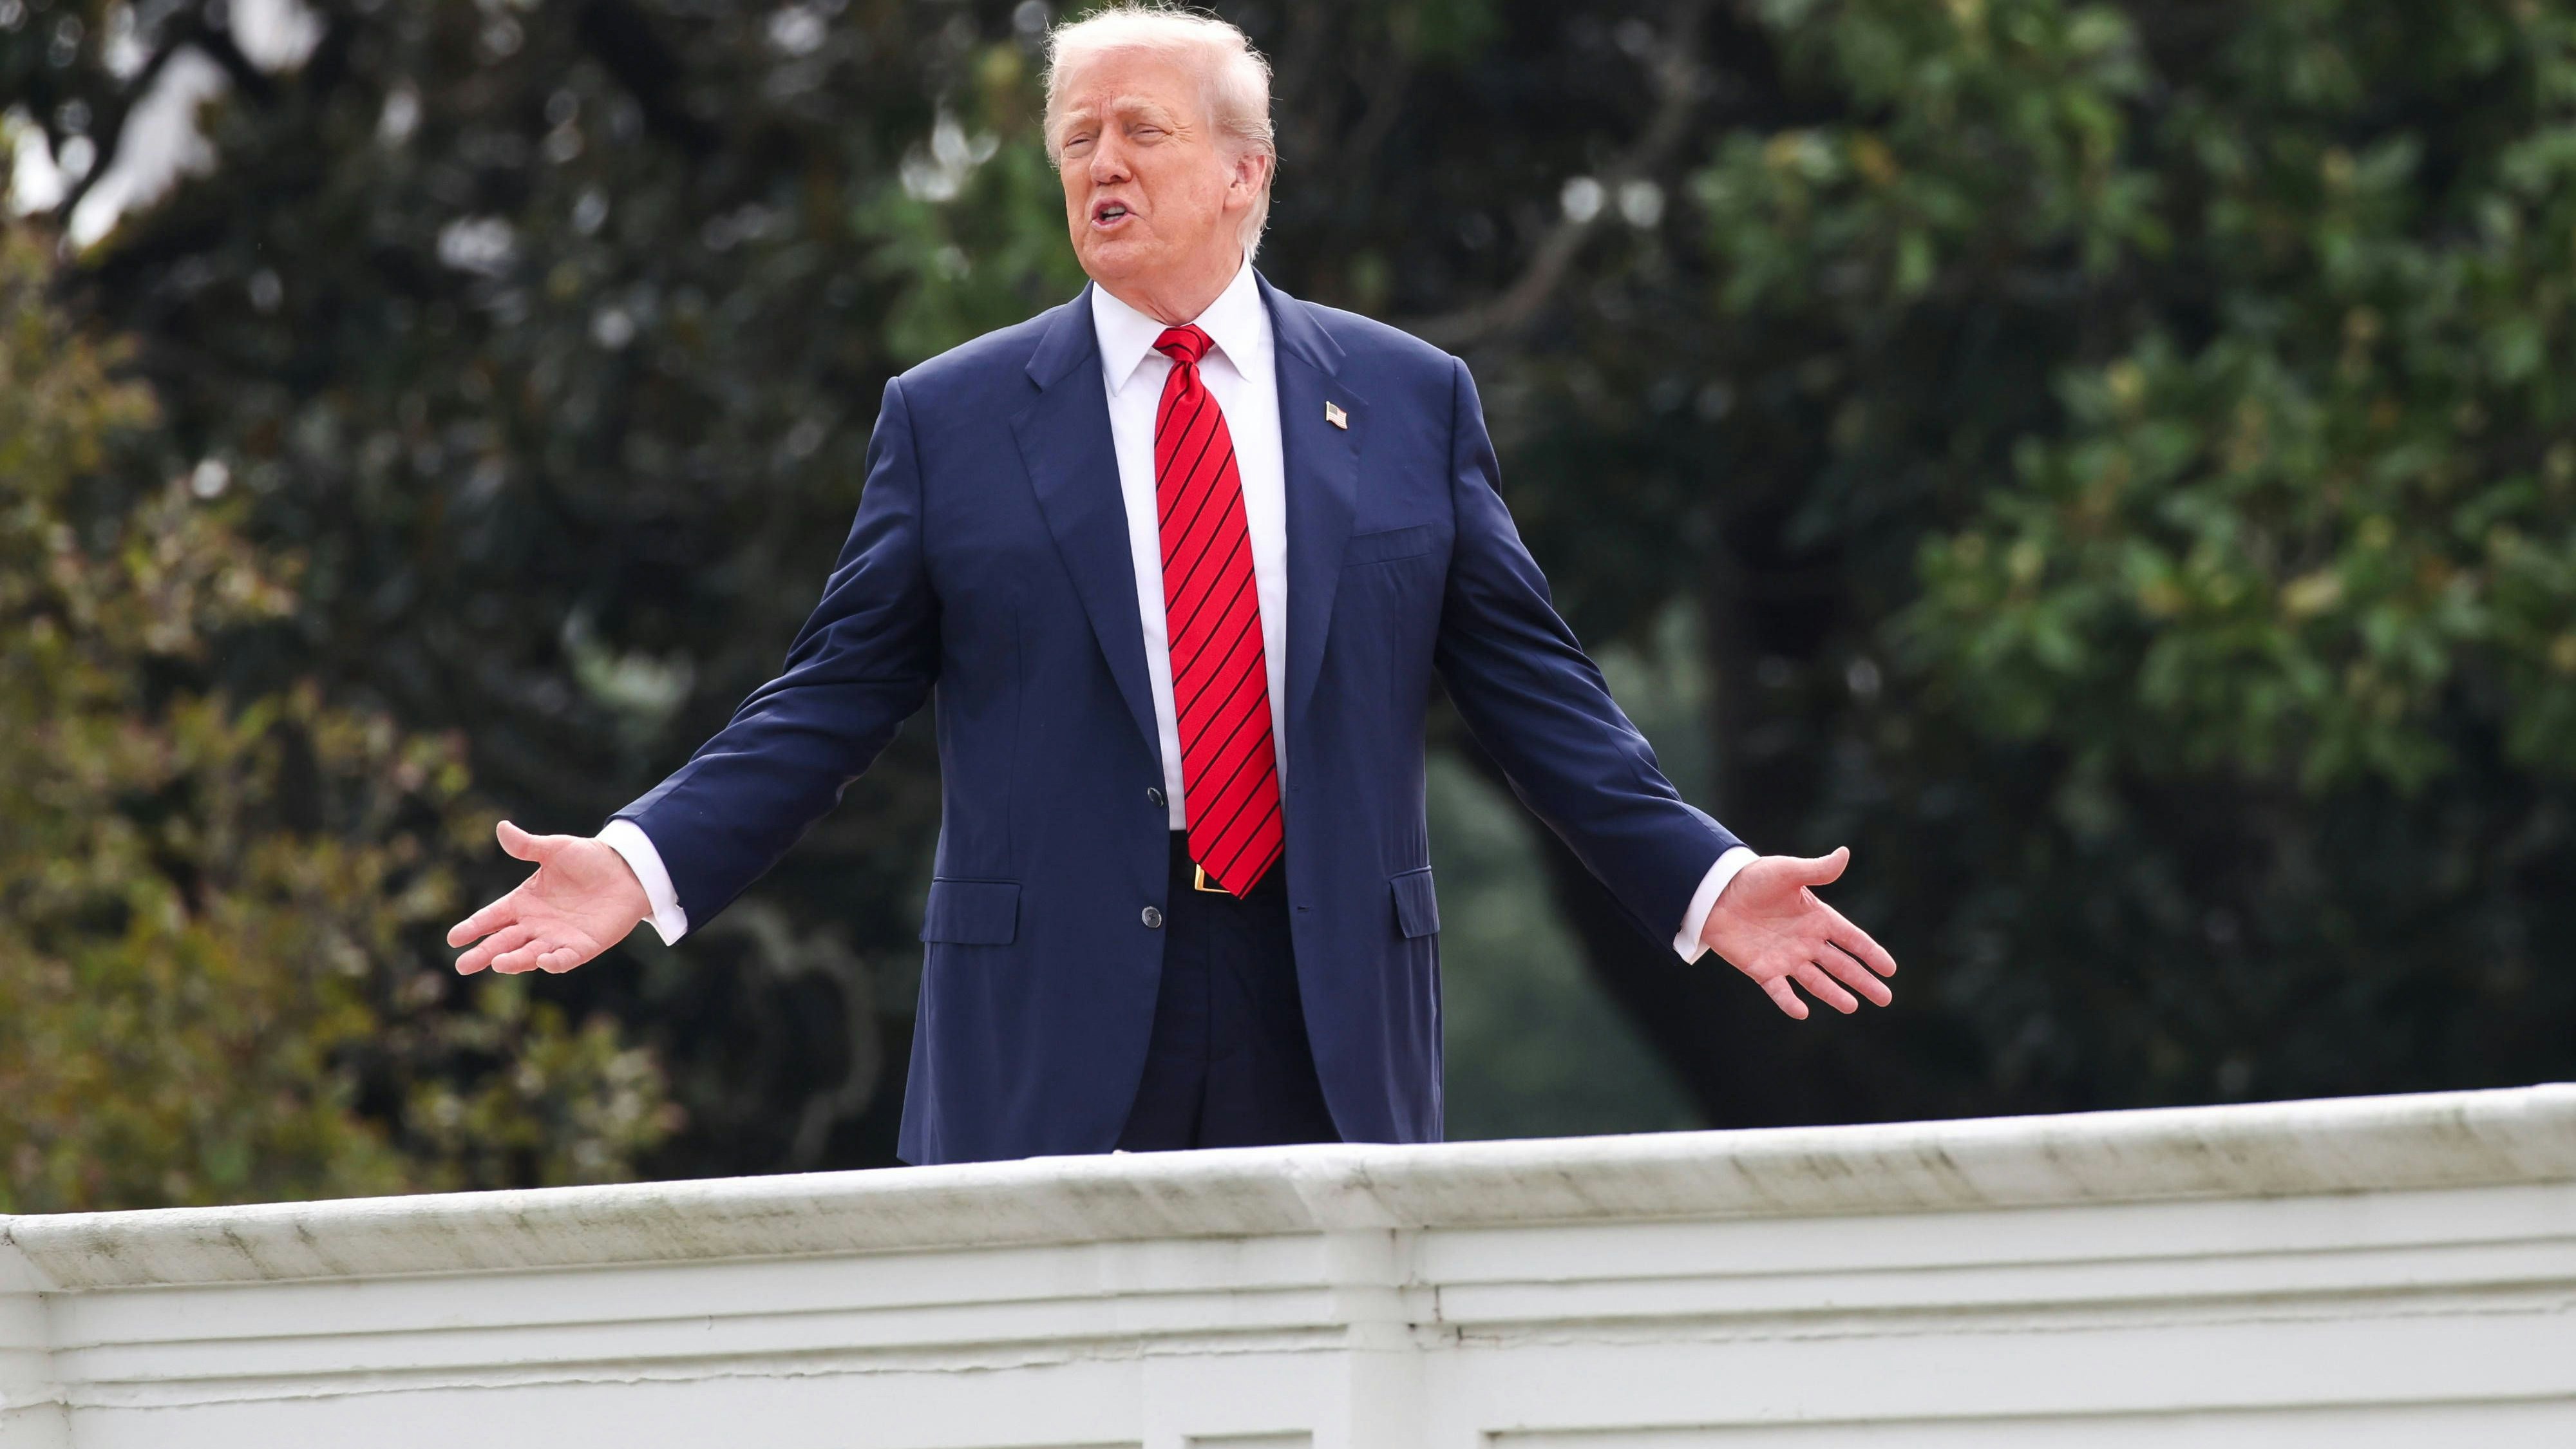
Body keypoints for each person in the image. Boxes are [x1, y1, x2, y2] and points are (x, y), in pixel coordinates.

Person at [445, 4, 1898, 1166]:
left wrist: (1707, 883)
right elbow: (828, 699)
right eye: (1074, 141)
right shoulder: (952, 419)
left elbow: (1541, 702)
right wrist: (640, 866)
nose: (1100, 167)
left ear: (1243, 172)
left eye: (1138, 133)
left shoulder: (1406, 400)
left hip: (1325, 1000)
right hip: (1053, 1016)